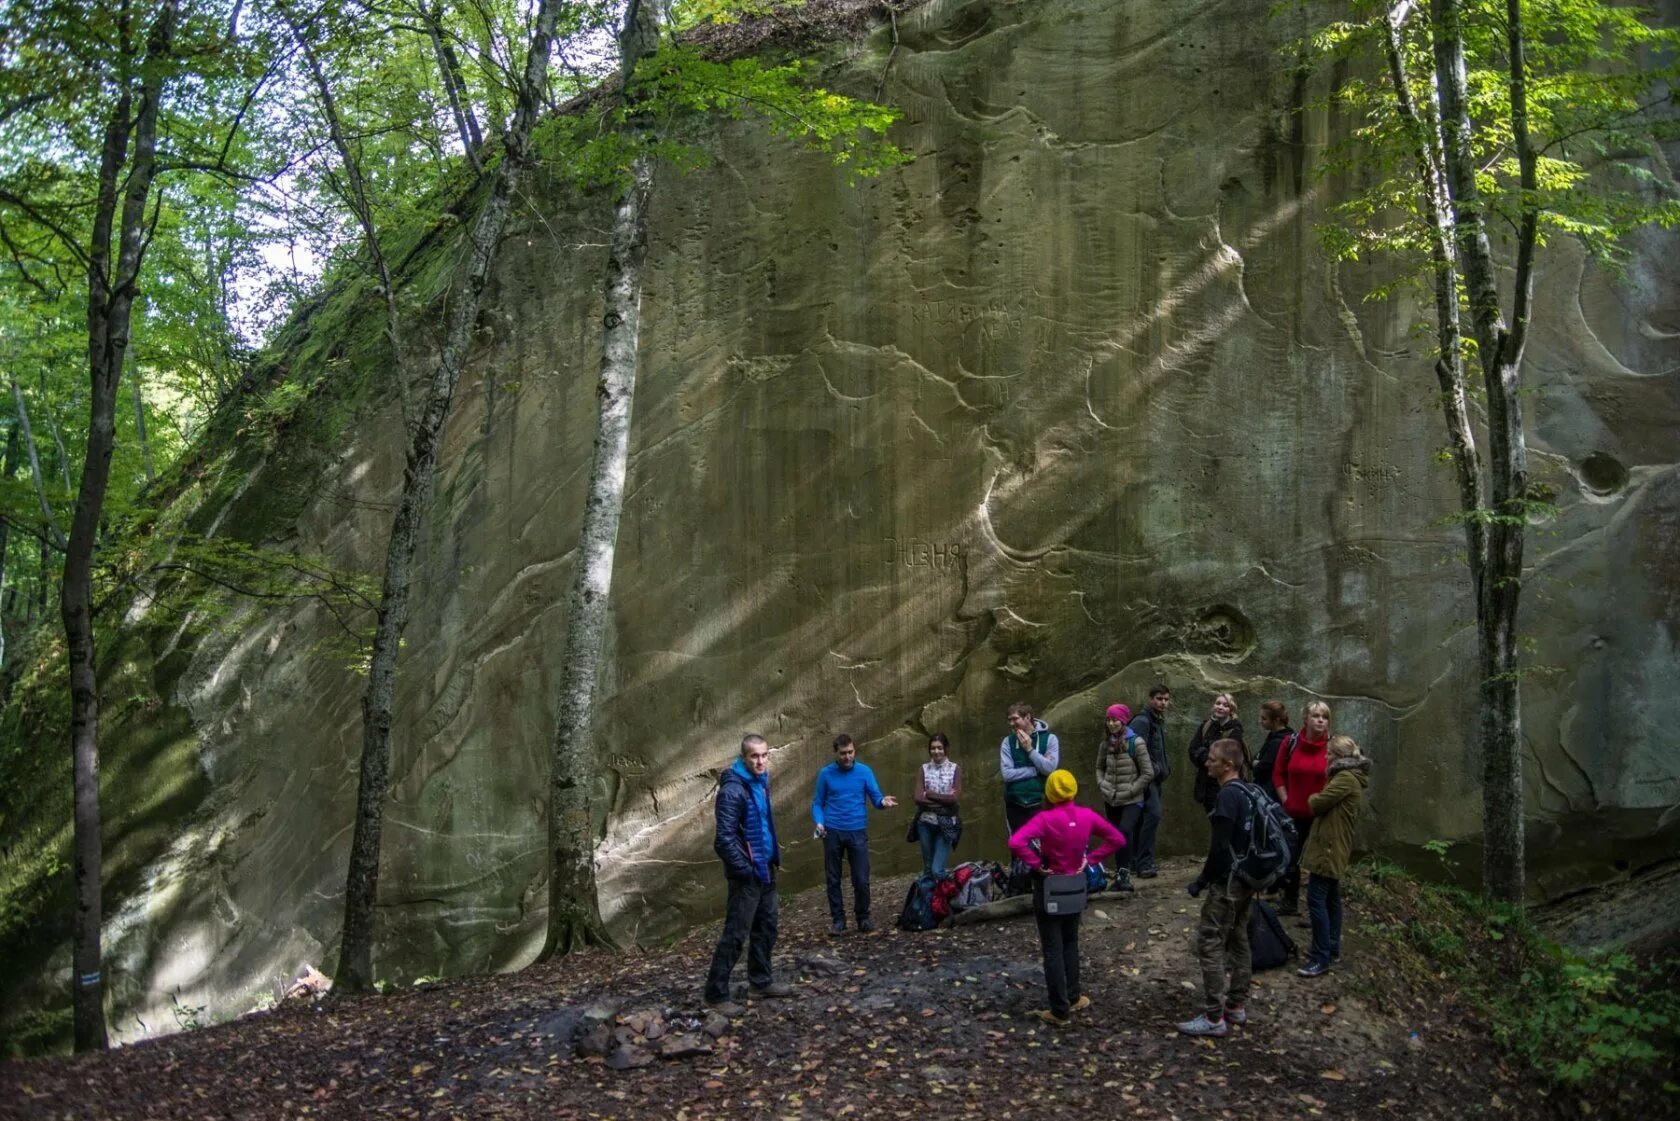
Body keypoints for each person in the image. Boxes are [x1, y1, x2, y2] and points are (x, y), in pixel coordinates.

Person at [1008, 769, 1126, 1025]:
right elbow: (1117, 839)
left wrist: (1036, 863)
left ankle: (1059, 1010)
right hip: (1076, 886)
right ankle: (1073, 996)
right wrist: (1091, 860)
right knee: (1070, 942)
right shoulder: (1086, 815)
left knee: (1052, 948)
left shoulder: (1044, 818)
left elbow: (1016, 841)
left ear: (1050, 792)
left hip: (1050, 886)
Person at [704, 734, 794, 1014]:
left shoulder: (760, 781)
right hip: (747, 876)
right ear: (744, 757)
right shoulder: (732, 790)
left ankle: (760, 981)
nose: (761, 761)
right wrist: (745, 870)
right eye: (755, 756)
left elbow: (763, 825)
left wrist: (770, 859)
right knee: (735, 934)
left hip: (765, 869)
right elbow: (724, 840)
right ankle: (715, 995)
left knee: (766, 927)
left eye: (765, 755)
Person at [1177, 739, 1256, 1038]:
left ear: (1228, 765)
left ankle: (1213, 1017)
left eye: (1212, 759)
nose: (1207, 763)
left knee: (1209, 939)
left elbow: (1220, 848)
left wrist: (1202, 881)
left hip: (1230, 882)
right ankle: (1236, 1005)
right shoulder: (1251, 791)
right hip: (1249, 879)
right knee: (1238, 937)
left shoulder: (1228, 797)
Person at [1298, 734, 1372, 977]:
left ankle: (1321, 956)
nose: (1325, 757)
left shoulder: (1344, 778)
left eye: (1329, 754)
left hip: (1329, 849)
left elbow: (1318, 804)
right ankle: (1331, 948)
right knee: (1330, 899)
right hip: (1333, 847)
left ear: (1339, 757)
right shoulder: (1348, 777)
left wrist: (1311, 797)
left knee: (1316, 900)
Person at [812, 733, 898, 934]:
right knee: (833, 879)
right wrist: (819, 822)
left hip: (857, 830)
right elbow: (817, 802)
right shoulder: (825, 774)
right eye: (843, 753)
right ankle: (838, 920)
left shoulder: (864, 772)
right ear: (836, 753)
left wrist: (883, 803)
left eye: (850, 752)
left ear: (854, 751)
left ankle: (863, 917)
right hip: (832, 831)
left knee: (861, 878)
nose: (847, 757)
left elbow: (876, 798)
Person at [1274, 701, 1332, 916]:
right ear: (1305, 719)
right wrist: (1286, 800)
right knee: (1291, 858)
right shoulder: (1290, 742)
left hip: (1321, 815)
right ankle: (1289, 901)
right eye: (1316, 716)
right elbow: (1278, 774)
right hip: (1293, 812)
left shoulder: (1333, 746)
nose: (1320, 720)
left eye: (1324, 717)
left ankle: (1318, 911)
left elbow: (1338, 780)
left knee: (1320, 862)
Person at [1094, 703, 1151, 891]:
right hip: (1111, 797)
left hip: (1132, 799)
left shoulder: (1137, 742)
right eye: (1109, 720)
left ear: (1123, 721)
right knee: (1115, 836)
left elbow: (1147, 772)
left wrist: (1132, 789)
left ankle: (1125, 874)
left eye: (1115, 720)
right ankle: (1121, 874)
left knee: (1124, 831)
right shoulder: (1105, 743)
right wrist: (1102, 784)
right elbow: (1099, 767)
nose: (1111, 724)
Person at [1127, 684, 1172, 878]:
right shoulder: (1143, 721)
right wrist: (1153, 770)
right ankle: (1144, 863)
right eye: (1159, 699)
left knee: (1143, 819)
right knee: (1152, 816)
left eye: (1166, 699)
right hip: (1145, 780)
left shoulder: (1156, 721)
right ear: (1150, 699)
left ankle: (1136, 862)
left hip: (1154, 779)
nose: (1163, 703)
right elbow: (1135, 750)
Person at [999, 701, 1060, 835]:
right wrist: (1034, 770)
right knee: (1018, 846)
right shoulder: (1007, 742)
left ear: (1027, 717)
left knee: (1043, 844)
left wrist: (1030, 750)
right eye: (1009, 720)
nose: (1011, 723)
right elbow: (1007, 774)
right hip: (1015, 802)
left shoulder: (1050, 739)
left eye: (1015, 719)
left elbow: (1049, 768)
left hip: (1040, 801)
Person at [1188, 693, 1247, 812]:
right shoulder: (1206, 726)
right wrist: (1209, 758)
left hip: (1223, 786)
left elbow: (1226, 760)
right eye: (1218, 703)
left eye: (1225, 705)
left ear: (1231, 710)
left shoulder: (1234, 731)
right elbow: (1192, 750)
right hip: (1205, 785)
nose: (1220, 707)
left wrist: (1203, 753)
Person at [913, 733, 962, 876]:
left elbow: (954, 799)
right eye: (933, 748)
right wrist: (943, 801)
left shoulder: (955, 769)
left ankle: (950, 894)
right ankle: (930, 898)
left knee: (937, 869)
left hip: (946, 824)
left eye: (939, 748)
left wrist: (929, 794)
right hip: (925, 823)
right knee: (928, 868)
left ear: (946, 748)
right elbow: (917, 798)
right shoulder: (923, 769)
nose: (936, 751)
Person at [1252, 700, 1293, 804]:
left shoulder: (1278, 742)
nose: (1260, 721)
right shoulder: (1276, 736)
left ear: (1276, 720)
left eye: (1264, 718)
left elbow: (1262, 769)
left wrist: (1256, 764)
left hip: (1271, 793)